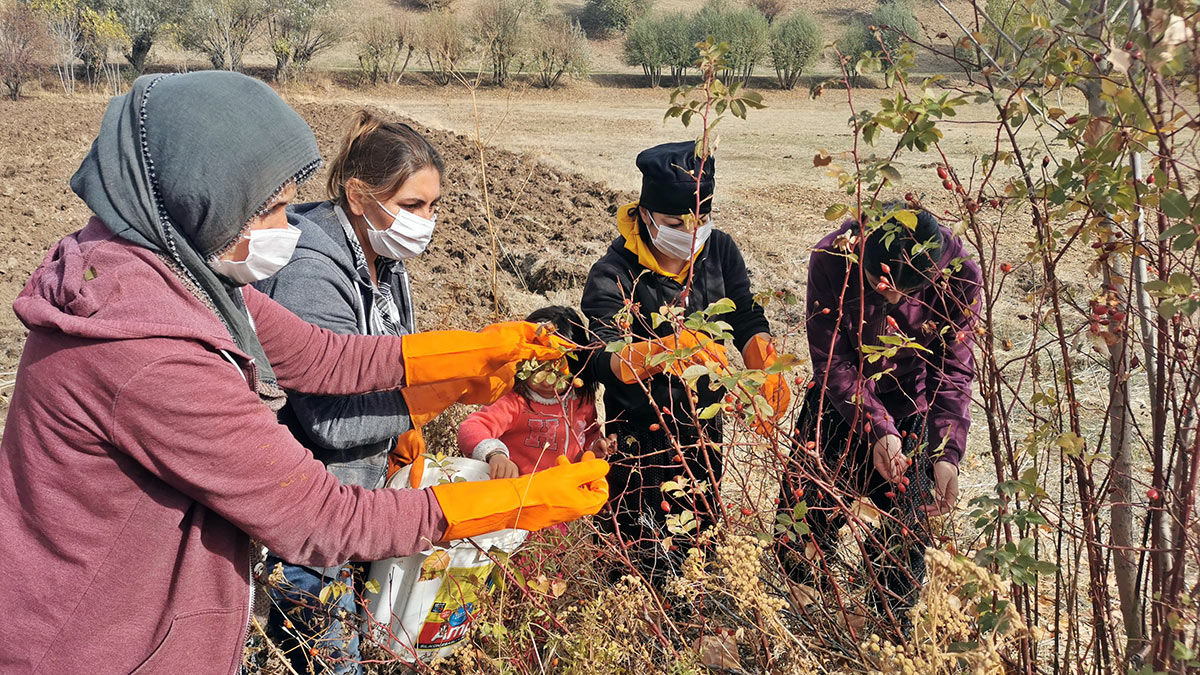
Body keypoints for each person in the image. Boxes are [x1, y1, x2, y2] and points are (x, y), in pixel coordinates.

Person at [0, 71, 608, 673]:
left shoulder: (178, 272)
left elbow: (321, 354)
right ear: (202, 199)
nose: (288, 230)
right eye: (271, 210)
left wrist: (473, 357)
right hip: (101, 645)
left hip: (139, 620)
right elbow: (323, 516)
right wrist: (519, 501)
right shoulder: (151, 350)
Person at [251, 110, 476, 672]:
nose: (425, 221)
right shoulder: (309, 271)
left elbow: (393, 363)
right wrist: (432, 397)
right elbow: (332, 421)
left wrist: (407, 429)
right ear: (358, 194)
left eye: (433, 207)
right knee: (332, 660)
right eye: (411, 206)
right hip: (308, 511)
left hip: (361, 497)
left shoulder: (385, 258)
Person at [580, 141, 790, 582]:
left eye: (702, 220)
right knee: (641, 541)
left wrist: (764, 364)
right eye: (676, 223)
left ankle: (694, 618)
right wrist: (675, 348)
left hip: (705, 426)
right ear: (646, 216)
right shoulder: (613, 274)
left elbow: (746, 314)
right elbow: (605, 358)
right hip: (640, 433)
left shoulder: (720, 252)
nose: (691, 232)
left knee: (700, 533)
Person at [774, 205, 980, 629]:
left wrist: (945, 452)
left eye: (907, 294)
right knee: (802, 518)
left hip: (913, 405)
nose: (893, 301)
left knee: (907, 534)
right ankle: (804, 619)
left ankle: (884, 629)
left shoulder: (960, 275)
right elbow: (833, 364)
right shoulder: (832, 258)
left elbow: (953, 370)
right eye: (880, 287)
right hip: (842, 401)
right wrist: (876, 427)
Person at [457, 306, 608, 479]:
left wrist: (596, 446)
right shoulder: (515, 401)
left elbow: (588, 434)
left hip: (567, 494)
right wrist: (495, 454)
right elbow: (471, 427)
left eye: (557, 373)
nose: (545, 380)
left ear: (577, 368)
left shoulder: (582, 401)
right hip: (522, 494)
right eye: (538, 368)